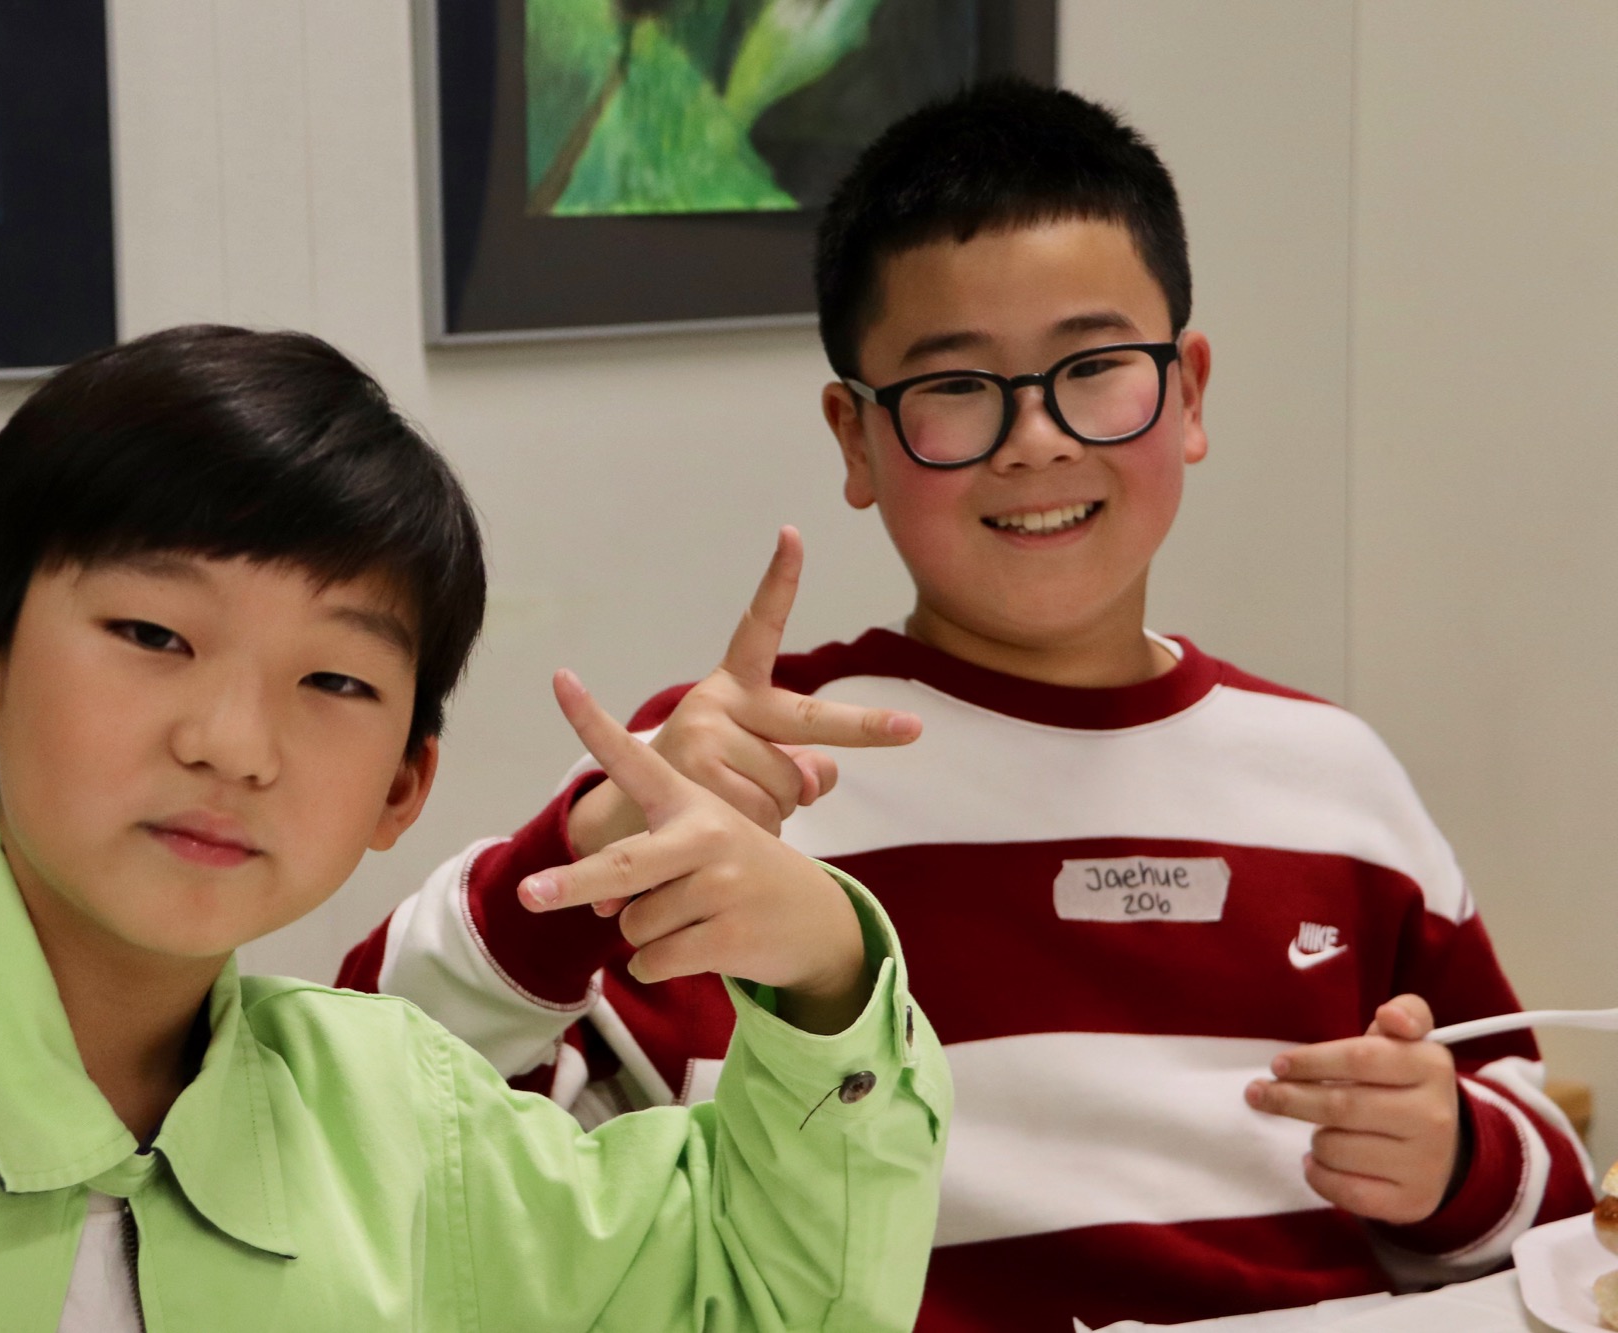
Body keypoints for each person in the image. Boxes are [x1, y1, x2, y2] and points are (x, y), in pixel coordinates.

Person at [338, 80, 1595, 1330]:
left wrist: (1448, 1157)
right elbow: (382, 1101)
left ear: (1188, 393)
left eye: (1094, 367)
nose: (1033, 438)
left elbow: (1549, 1195)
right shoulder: (745, 770)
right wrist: (584, 846)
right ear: (854, 437)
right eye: (953, 386)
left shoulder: (1333, 776)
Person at [0, 326, 949, 1331]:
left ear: (400, 790)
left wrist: (825, 978)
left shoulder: (414, 1129)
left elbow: (763, 1297)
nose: (234, 745)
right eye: (154, 634)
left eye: (334, 682)